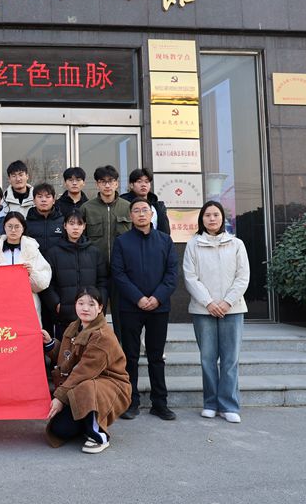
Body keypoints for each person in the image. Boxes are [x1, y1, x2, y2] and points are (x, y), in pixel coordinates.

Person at [111, 197, 178, 422]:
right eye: (136, 210)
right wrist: (138, 298)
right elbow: (118, 273)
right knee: (130, 356)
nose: (141, 214)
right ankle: (131, 402)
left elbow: (171, 274)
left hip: (159, 307)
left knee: (156, 356)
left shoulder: (165, 241)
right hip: (130, 307)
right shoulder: (122, 242)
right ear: (130, 216)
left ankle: (160, 403)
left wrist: (157, 298)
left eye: (145, 210)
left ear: (151, 214)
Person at [183, 201, 250, 424]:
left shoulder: (236, 244)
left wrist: (227, 302)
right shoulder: (193, 244)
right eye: (207, 215)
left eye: (216, 215)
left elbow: (243, 277)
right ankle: (210, 403)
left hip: (233, 309)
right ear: (201, 219)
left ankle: (229, 405)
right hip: (203, 310)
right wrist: (209, 303)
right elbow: (190, 277)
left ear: (223, 218)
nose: (212, 219)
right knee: (207, 359)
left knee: (230, 359)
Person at [43, 287, 132, 454]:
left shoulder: (102, 336)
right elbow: (66, 357)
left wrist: (60, 397)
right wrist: (49, 344)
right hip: (81, 384)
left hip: (110, 385)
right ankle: (85, 424)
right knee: (59, 430)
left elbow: (84, 371)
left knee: (87, 386)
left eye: (91, 304)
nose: (85, 308)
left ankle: (99, 436)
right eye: (81, 303)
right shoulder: (74, 327)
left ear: (100, 308)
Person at [41, 211, 109, 339]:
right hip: (64, 315)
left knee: (90, 349)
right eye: (71, 223)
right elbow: (47, 283)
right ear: (65, 226)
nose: (75, 227)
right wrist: (56, 304)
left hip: (90, 314)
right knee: (65, 349)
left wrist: (100, 305)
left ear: (84, 226)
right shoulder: (53, 253)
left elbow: (103, 281)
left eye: (79, 224)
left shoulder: (94, 252)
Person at [82, 164, 132, 336]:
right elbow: (81, 240)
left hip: (122, 271)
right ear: (97, 184)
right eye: (103, 182)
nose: (107, 185)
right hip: (96, 272)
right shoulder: (87, 208)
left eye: (111, 181)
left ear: (117, 183)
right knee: (95, 316)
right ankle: (94, 349)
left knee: (122, 317)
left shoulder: (128, 207)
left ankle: (121, 350)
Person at [0, 212, 52, 324]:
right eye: (10, 226)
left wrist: (32, 273)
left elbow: (44, 281)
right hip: (0, 302)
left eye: (17, 227)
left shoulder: (32, 250)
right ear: (4, 227)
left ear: (23, 228)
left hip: (27, 302)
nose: (13, 230)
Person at [120, 168, 170, 235]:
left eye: (146, 182)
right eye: (139, 182)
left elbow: (165, 232)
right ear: (131, 185)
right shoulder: (123, 204)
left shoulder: (158, 207)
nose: (143, 185)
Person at [25, 183, 64, 254]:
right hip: (34, 260)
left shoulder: (63, 222)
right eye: (39, 197)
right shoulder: (26, 223)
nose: (43, 200)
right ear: (34, 200)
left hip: (58, 260)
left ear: (53, 200)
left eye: (48, 197)